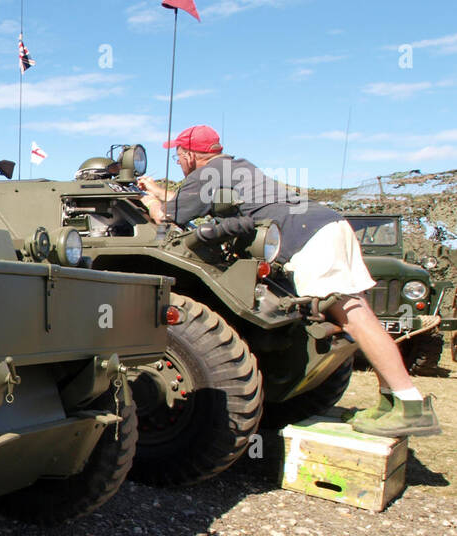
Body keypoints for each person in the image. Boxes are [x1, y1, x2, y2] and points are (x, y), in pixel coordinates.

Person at [136, 124, 440, 438]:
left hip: (306, 236)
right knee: (356, 317)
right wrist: (159, 192)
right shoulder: (234, 167)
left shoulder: (206, 175)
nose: (179, 161)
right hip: (324, 224)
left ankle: (410, 405)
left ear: (188, 154)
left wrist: (151, 205)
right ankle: (392, 401)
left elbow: (168, 218)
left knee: (354, 319)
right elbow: (191, 202)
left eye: (178, 156)